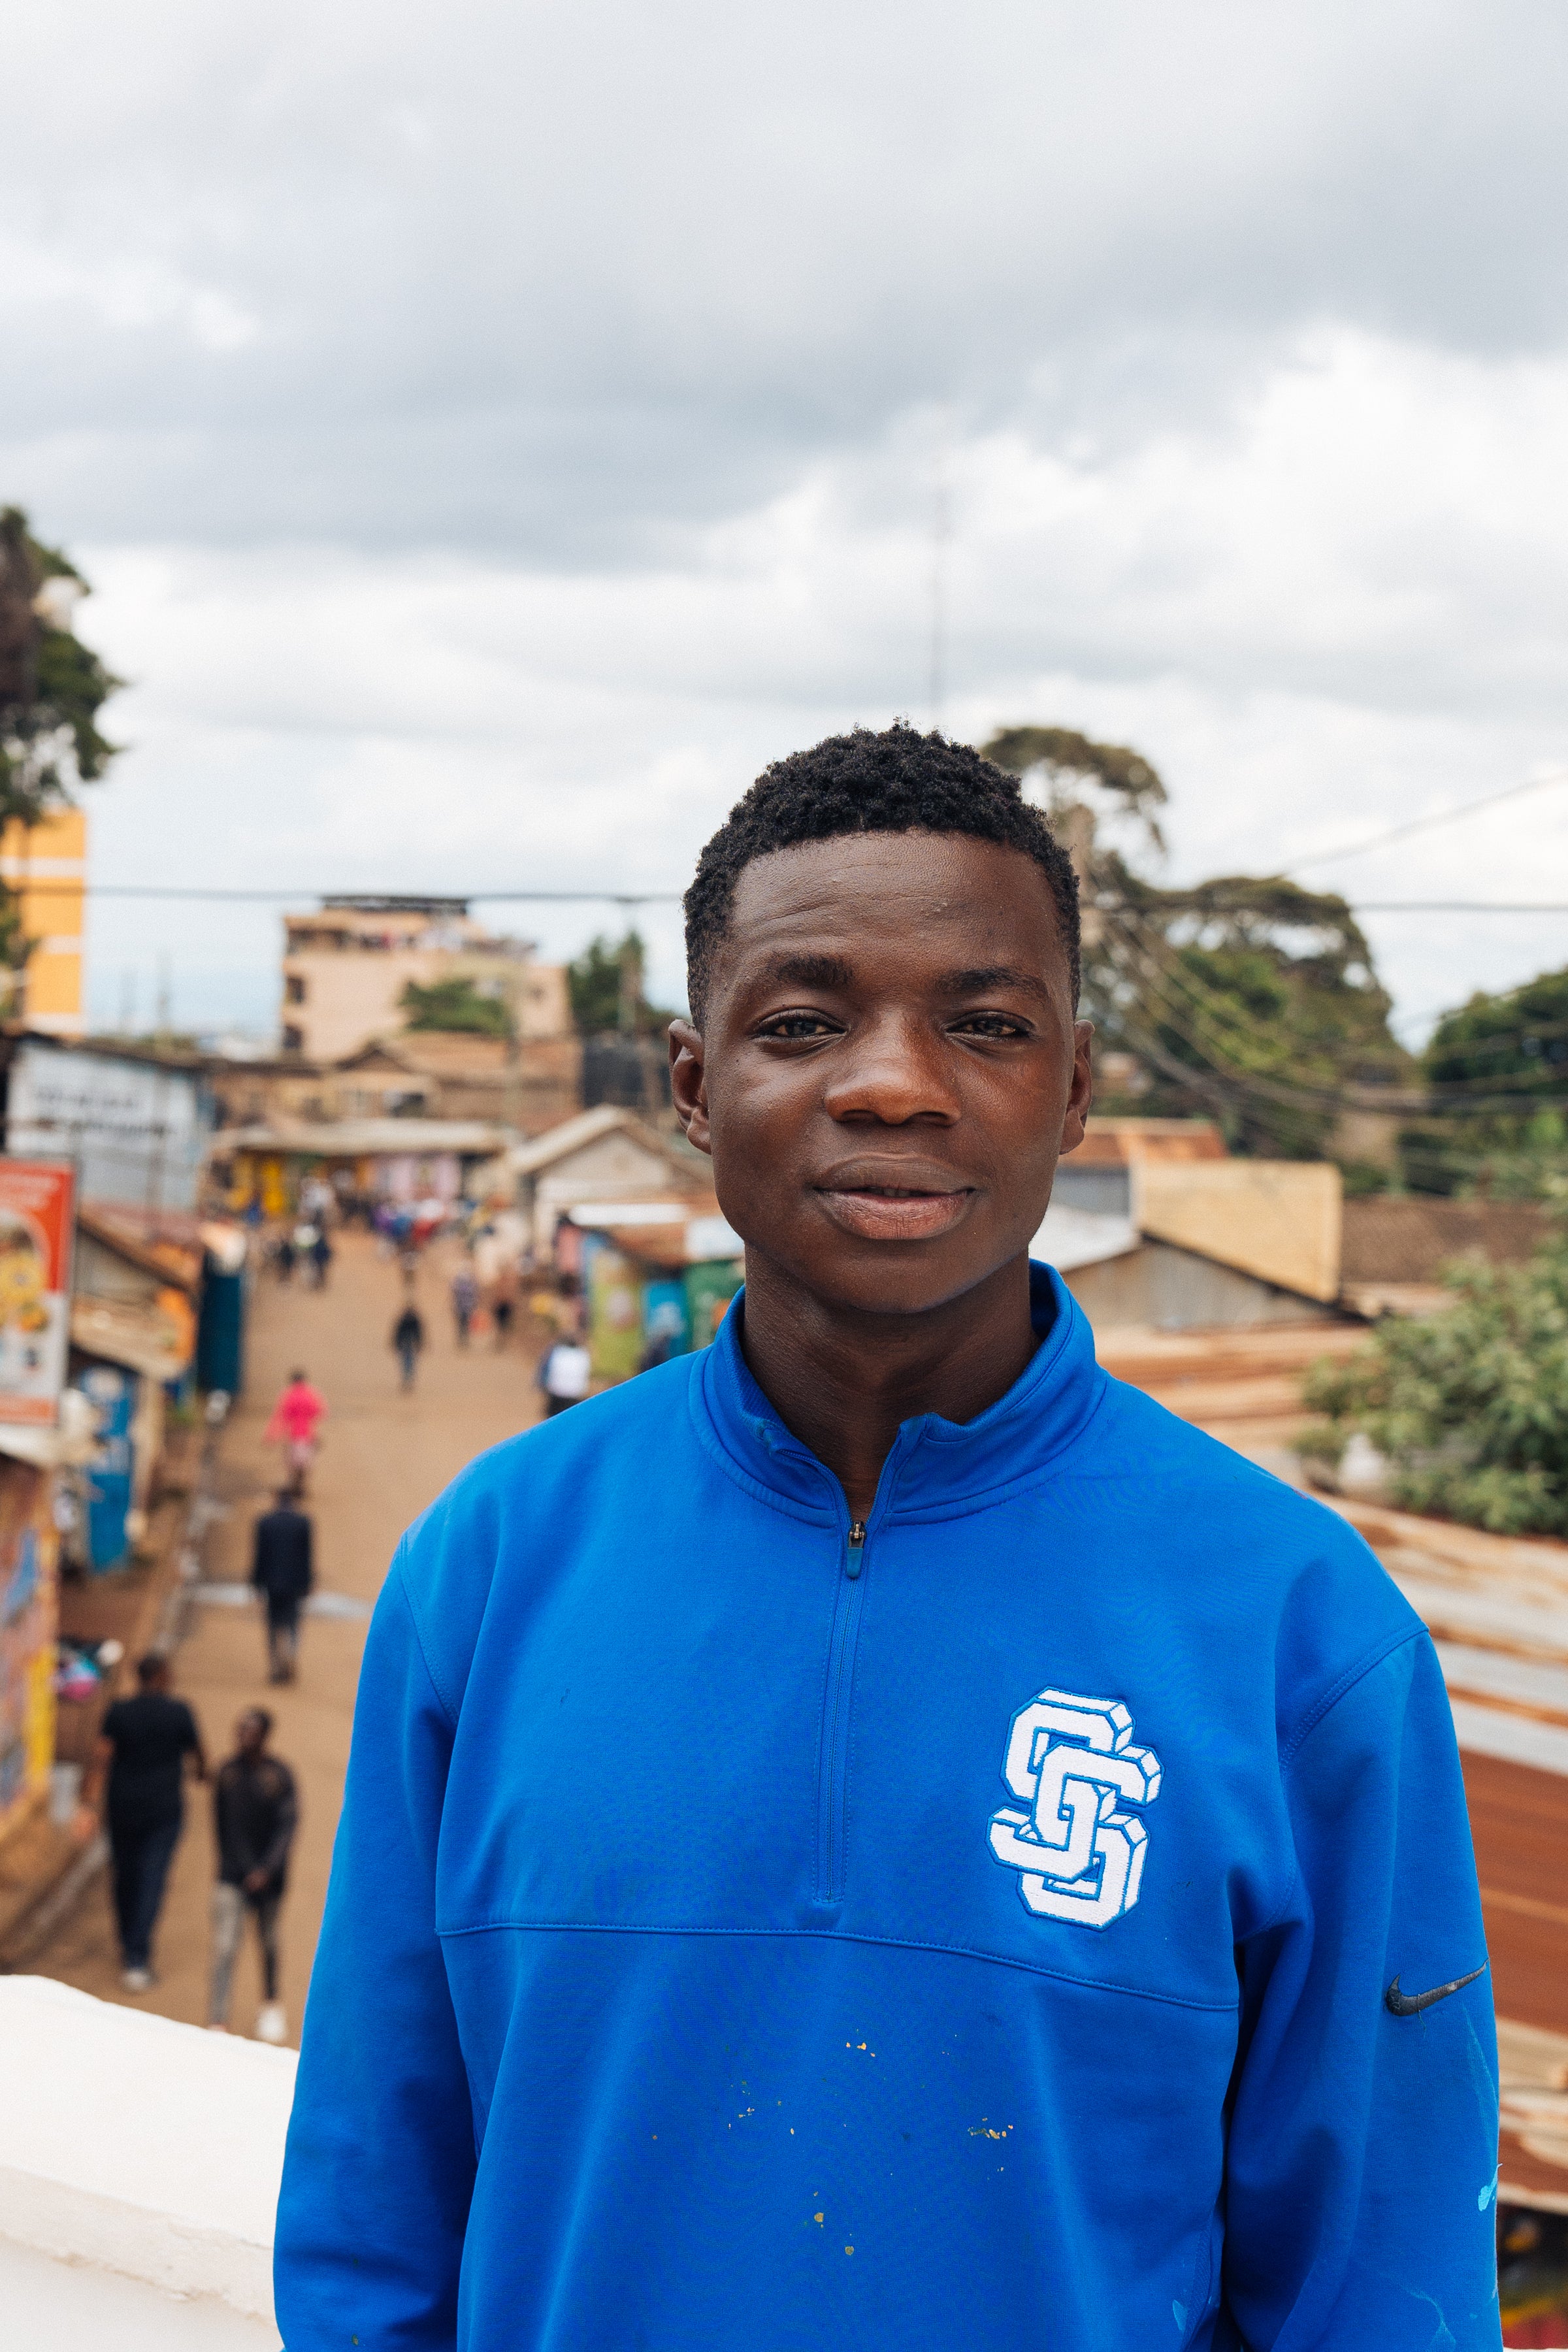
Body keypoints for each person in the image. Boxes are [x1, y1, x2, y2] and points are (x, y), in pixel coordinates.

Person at [278, 728, 1497, 2348]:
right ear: (693, 1084)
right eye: (800, 1021)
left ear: (1068, 1088)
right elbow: (375, 2233)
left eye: (981, 1025)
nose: (890, 1083)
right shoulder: (489, 1575)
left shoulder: (1298, 1635)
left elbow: (1379, 2290)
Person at [83, 1653, 206, 1991]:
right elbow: (199, 1757)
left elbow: (100, 1758)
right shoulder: (179, 1712)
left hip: (122, 1808)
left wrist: (88, 1805)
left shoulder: (119, 1712)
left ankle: (128, 1941)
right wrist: (202, 1775)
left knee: (124, 1875)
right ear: (164, 1675)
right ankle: (137, 1956)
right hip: (163, 1812)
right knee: (152, 1878)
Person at [208, 1708, 299, 2044]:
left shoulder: (279, 1776)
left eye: (251, 1729)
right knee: (224, 1946)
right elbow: (223, 1827)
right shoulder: (227, 1774)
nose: (244, 1735)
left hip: (270, 1882)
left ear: (264, 1735)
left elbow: (287, 1828)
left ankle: (271, 2004)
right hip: (232, 1876)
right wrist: (242, 1869)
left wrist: (267, 1870)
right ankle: (218, 2019)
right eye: (240, 1728)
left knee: (269, 1943)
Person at [252, 1490, 314, 1684]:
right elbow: (307, 1557)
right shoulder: (303, 1523)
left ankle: (275, 1664)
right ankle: (290, 1654)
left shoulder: (265, 1523)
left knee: (272, 1624)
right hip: (295, 1584)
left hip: (271, 1583)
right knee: (293, 1623)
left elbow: (260, 1556)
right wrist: (308, 1582)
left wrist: (256, 1582)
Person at [265, 1369, 326, 1497]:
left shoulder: (288, 1395)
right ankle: (300, 1487)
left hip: (293, 1434)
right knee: (304, 1463)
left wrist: (272, 1435)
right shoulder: (311, 1394)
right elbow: (320, 1412)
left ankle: (296, 1487)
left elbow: (280, 1416)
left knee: (293, 1463)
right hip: (309, 1434)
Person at [536, 1333, 591, 1416]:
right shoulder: (584, 1355)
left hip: (557, 1391)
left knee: (553, 1417)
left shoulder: (556, 1352)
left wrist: (541, 1384)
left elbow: (545, 1369)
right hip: (575, 1393)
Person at [391, 1301, 425, 1390]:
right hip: (406, 1344)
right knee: (407, 1363)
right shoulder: (407, 1320)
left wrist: (419, 1343)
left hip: (410, 1344)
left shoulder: (411, 1320)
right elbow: (398, 1333)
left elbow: (419, 1333)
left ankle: (408, 1382)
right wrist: (396, 1343)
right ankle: (407, 1381)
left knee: (409, 1363)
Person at [450, 1263, 478, 1348]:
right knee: (463, 1324)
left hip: (463, 1307)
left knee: (463, 1324)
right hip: (463, 1307)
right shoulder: (469, 1282)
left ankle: (463, 1340)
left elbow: (454, 1293)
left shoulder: (460, 1282)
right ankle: (462, 1341)